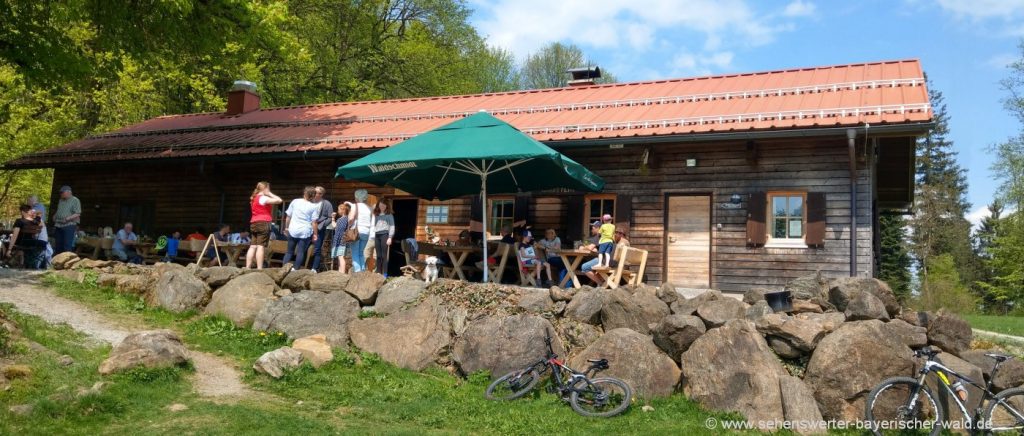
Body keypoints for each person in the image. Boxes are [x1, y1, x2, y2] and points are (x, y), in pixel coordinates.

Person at [245, 181, 282, 269]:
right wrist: (270, 193)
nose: (269, 190)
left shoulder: (253, 198)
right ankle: (259, 268)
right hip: (263, 222)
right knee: (260, 246)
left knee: (253, 246)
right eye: (268, 188)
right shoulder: (263, 198)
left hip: (254, 222)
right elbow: (279, 200)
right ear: (265, 188)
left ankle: (247, 267)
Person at [283, 187, 319, 270]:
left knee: (289, 251)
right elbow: (314, 222)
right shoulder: (314, 206)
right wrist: (315, 234)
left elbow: (288, 216)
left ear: (304, 193)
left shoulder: (295, 201)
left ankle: (284, 270)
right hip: (305, 231)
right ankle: (295, 270)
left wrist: (286, 227)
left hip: (293, 229)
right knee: (301, 252)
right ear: (313, 196)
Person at [7, 205, 47, 269]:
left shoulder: (19, 221)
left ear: (22, 212)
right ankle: (21, 263)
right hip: (31, 243)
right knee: (21, 247)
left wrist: (9, 249)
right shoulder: (36, 222)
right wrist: (36, 215)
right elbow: (41, 220)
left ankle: (6, 261)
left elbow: (15, 235)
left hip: (21, 242)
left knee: (5, 242)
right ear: (30, 212)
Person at [309, 186, 333, 272]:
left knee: (317, 248)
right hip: (307, 228)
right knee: (304, 247)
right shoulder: (309, 202)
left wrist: (322, 225)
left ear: (322, 194)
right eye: (314, 192)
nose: (315, 194)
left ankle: (314, 268)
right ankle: (303, 266)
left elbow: (330, 217)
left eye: (318, 193)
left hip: (319, 229)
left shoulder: (326, 203)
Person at [349, 189, 373, 272]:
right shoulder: (369, 208)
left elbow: (351, 218)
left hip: (357, 232)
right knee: (361, 253)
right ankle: (362, 271)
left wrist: (348, 225)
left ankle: (358, 271)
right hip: (366, 232)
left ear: (356, 197)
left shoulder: (355, 206)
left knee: (355, 253)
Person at [52, 185, 81, 255]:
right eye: (60, 193)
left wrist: (68, 218)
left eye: (62, 192)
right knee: (58, 245)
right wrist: (55, 215)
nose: (61, 194)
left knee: (67, 245)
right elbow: (59, 210)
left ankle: (66, 263)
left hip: (69, 225)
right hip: (58, 224)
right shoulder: (61, 200)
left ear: (68, 192)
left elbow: (78, 213)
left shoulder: (75, 200)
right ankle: (57, 262)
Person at [372, 198, 395, 276]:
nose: (382, 206)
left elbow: (392, 226)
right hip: (376, 235)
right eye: (381, 205)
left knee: (384, 255)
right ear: (378, 205)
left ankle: (385, 274)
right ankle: (378, 273)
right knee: (378, 255)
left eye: (384, 205)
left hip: (385, 235)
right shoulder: (376, 214)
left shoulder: (389, 215)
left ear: (387, 206)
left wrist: (390, 237)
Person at [330, 202, 352, 273]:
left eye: (339, 209)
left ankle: (342, 274)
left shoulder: (342, 219)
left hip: (341, 241)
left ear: (342, 210)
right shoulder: (347, 219)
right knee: (340, 257)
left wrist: (333, 218)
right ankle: (340, 273)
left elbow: (336, 227)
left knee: (341, 257)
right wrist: (333, 218)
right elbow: (335, 226)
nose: (338, 211)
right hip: (344, 241)